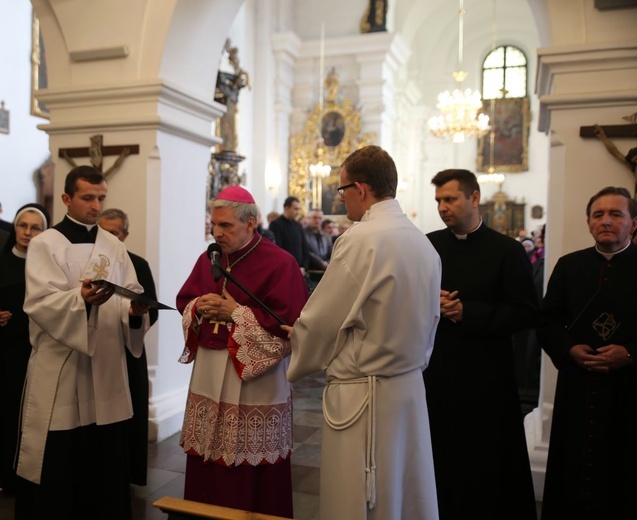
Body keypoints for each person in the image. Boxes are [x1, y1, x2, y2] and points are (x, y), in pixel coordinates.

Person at [286, 145, 441, 520]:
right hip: (408, 388)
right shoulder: (424, 243)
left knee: (359, 500)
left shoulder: (361, 239)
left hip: (364, 395)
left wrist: (298, 350)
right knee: (403, 491)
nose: (341, 202)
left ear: (360, 189)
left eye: (341, 191)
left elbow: (323, 319)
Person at [15, 165, 150, 520]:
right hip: (63, 364)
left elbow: (130, 292)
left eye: (101, 198)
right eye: (88, 197)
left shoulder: (113, 246)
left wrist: (134, 312)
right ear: (66, 199)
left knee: (102, 456)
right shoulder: (46, 244)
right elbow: (40, 303)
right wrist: (81, 301)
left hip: (105, 363)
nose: (96, 205)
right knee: (61, 452)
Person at [176, 185, 308, 518]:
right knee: (206, 453)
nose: (216, 233)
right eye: (213, 225)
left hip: (253, 381)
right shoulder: (209, 259)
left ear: (251, 224)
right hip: (209, 369)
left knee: (251, 465)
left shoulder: (281, 263)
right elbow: (184, 300)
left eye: (226, 226)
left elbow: (291, 327)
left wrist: (236, 313)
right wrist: (198, 306)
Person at [424, 169, 538, 520]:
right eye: (439, 201)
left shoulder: (506, 250)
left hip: (486, 375)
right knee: (440, 457)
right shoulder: (428, 245)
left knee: (485, 462)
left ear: (474, 198)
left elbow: (524, 314)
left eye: (450, 199)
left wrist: (465, 312)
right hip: (438, 372)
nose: (443, 208)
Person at [539, 186, 637, 520]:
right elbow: (547, 320)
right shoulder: (569, 266)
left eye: (616, 214)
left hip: (630, 389)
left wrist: (629, 353)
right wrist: (569, 350)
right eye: (598, 215)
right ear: (589, 223)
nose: (606, 221)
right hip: (579, 386)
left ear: (633, 223)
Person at [99, 207, 159, 486]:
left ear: (125, 234)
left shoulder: (138, 264)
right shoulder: (92, 263)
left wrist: (134, 316)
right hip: (97, 348)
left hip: (128, 348)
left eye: (113, 233)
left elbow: (151, 309)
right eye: (102, 232)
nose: (108, 238)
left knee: (131, 410)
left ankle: (129, 473)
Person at [0, 204, 49, 496]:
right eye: (22, 226)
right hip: (5, 351)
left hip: (37, 350)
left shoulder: (48, 268)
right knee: (6, 413)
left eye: (35, 228)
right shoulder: (1, 261)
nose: (27, 233)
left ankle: (29, 474)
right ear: (14, 228)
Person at [268, 196, 309, 271]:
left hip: (300, 269)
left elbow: (304, 246)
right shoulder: (276, 224)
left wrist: (304, 266)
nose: (298, 212)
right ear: (286, 208)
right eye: (295, 209)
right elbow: (277, 248)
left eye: (298, 209)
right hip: (285, 268)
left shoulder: (298, 225)